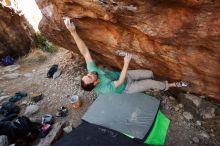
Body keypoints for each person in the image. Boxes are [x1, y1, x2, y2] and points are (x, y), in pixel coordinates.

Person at [64, 18, 188, 94]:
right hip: (127, 87)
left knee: (149, 73)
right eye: (90, 77)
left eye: (87, 75)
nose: (90, 74)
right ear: (95, 83)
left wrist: (73, 32)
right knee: (150, 83)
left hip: (126, 75)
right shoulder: (104, 89)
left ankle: (155, 84)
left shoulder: (92, 71)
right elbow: (120, 81)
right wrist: (126, 62)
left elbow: (85, 53)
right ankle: (171, 85)